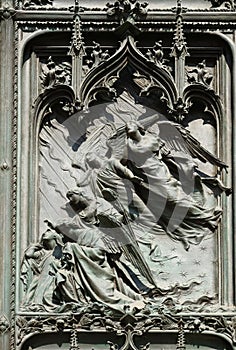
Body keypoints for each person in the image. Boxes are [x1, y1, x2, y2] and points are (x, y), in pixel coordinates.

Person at [125, 120, 222, 250]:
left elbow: (165, 155)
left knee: (175, 199)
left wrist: (183, 164)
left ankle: (206, 216)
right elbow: (124, 163)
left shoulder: (151, 138)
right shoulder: (128, 145)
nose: (127, 128)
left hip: (160, 174)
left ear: (138, 127)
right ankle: (196, 222)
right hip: (147, 180)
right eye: (126, 128)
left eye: (130, 125)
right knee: (167, 203)